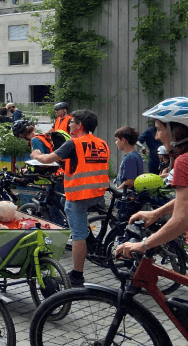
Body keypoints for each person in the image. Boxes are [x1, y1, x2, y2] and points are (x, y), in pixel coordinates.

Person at [30, 109, 109, 286]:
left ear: (79, 125)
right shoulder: (102, 143)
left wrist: (36, 155)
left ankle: (77, 275)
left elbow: (47, 159)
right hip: (97, 193)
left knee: (77, 235)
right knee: (66, 203)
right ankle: (92, 240)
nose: (69, 124)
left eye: (72, 122)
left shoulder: (73, 143)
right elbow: (84, 162)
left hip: (79, 195)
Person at [117, 97, 188, 263]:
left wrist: (143, 245)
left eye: (159, 129)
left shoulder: (184, 161)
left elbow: (181, 220)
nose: (156, 137)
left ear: (176, 131)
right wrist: (157, 213)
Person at [114, 126, 144, 190]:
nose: (116, 142)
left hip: (128, 196)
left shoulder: (130, 157)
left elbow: (130, 181)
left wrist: (117, 192)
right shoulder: (136, 155)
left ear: (123, 140)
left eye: (117, 140)